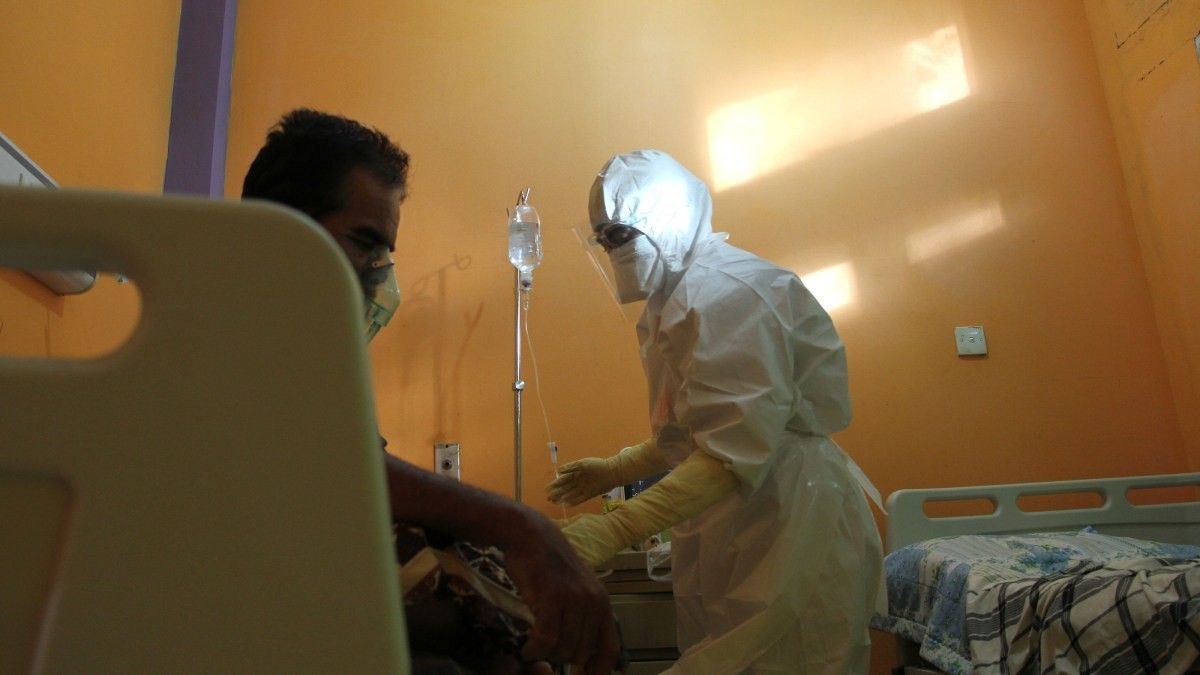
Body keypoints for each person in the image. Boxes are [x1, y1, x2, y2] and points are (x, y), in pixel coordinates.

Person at [241, 108, 619, 675]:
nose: (377, 273)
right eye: (364, 242)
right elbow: (340, 473)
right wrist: (522, 528)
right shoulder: (225, 334)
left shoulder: (307, 361)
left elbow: (355, 474)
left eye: (384, 253)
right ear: (284, 227)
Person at [546, 149, 884, 673]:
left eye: (620, 233)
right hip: (740, 512)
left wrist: (617, 529)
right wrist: (617, 469)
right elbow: (697, 430)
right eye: (603, 238)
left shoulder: (728, 293)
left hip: (787, 509)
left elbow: (733, 449)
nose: (612, 249)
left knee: (783, 659)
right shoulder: (672, 300)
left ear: (664, 216)